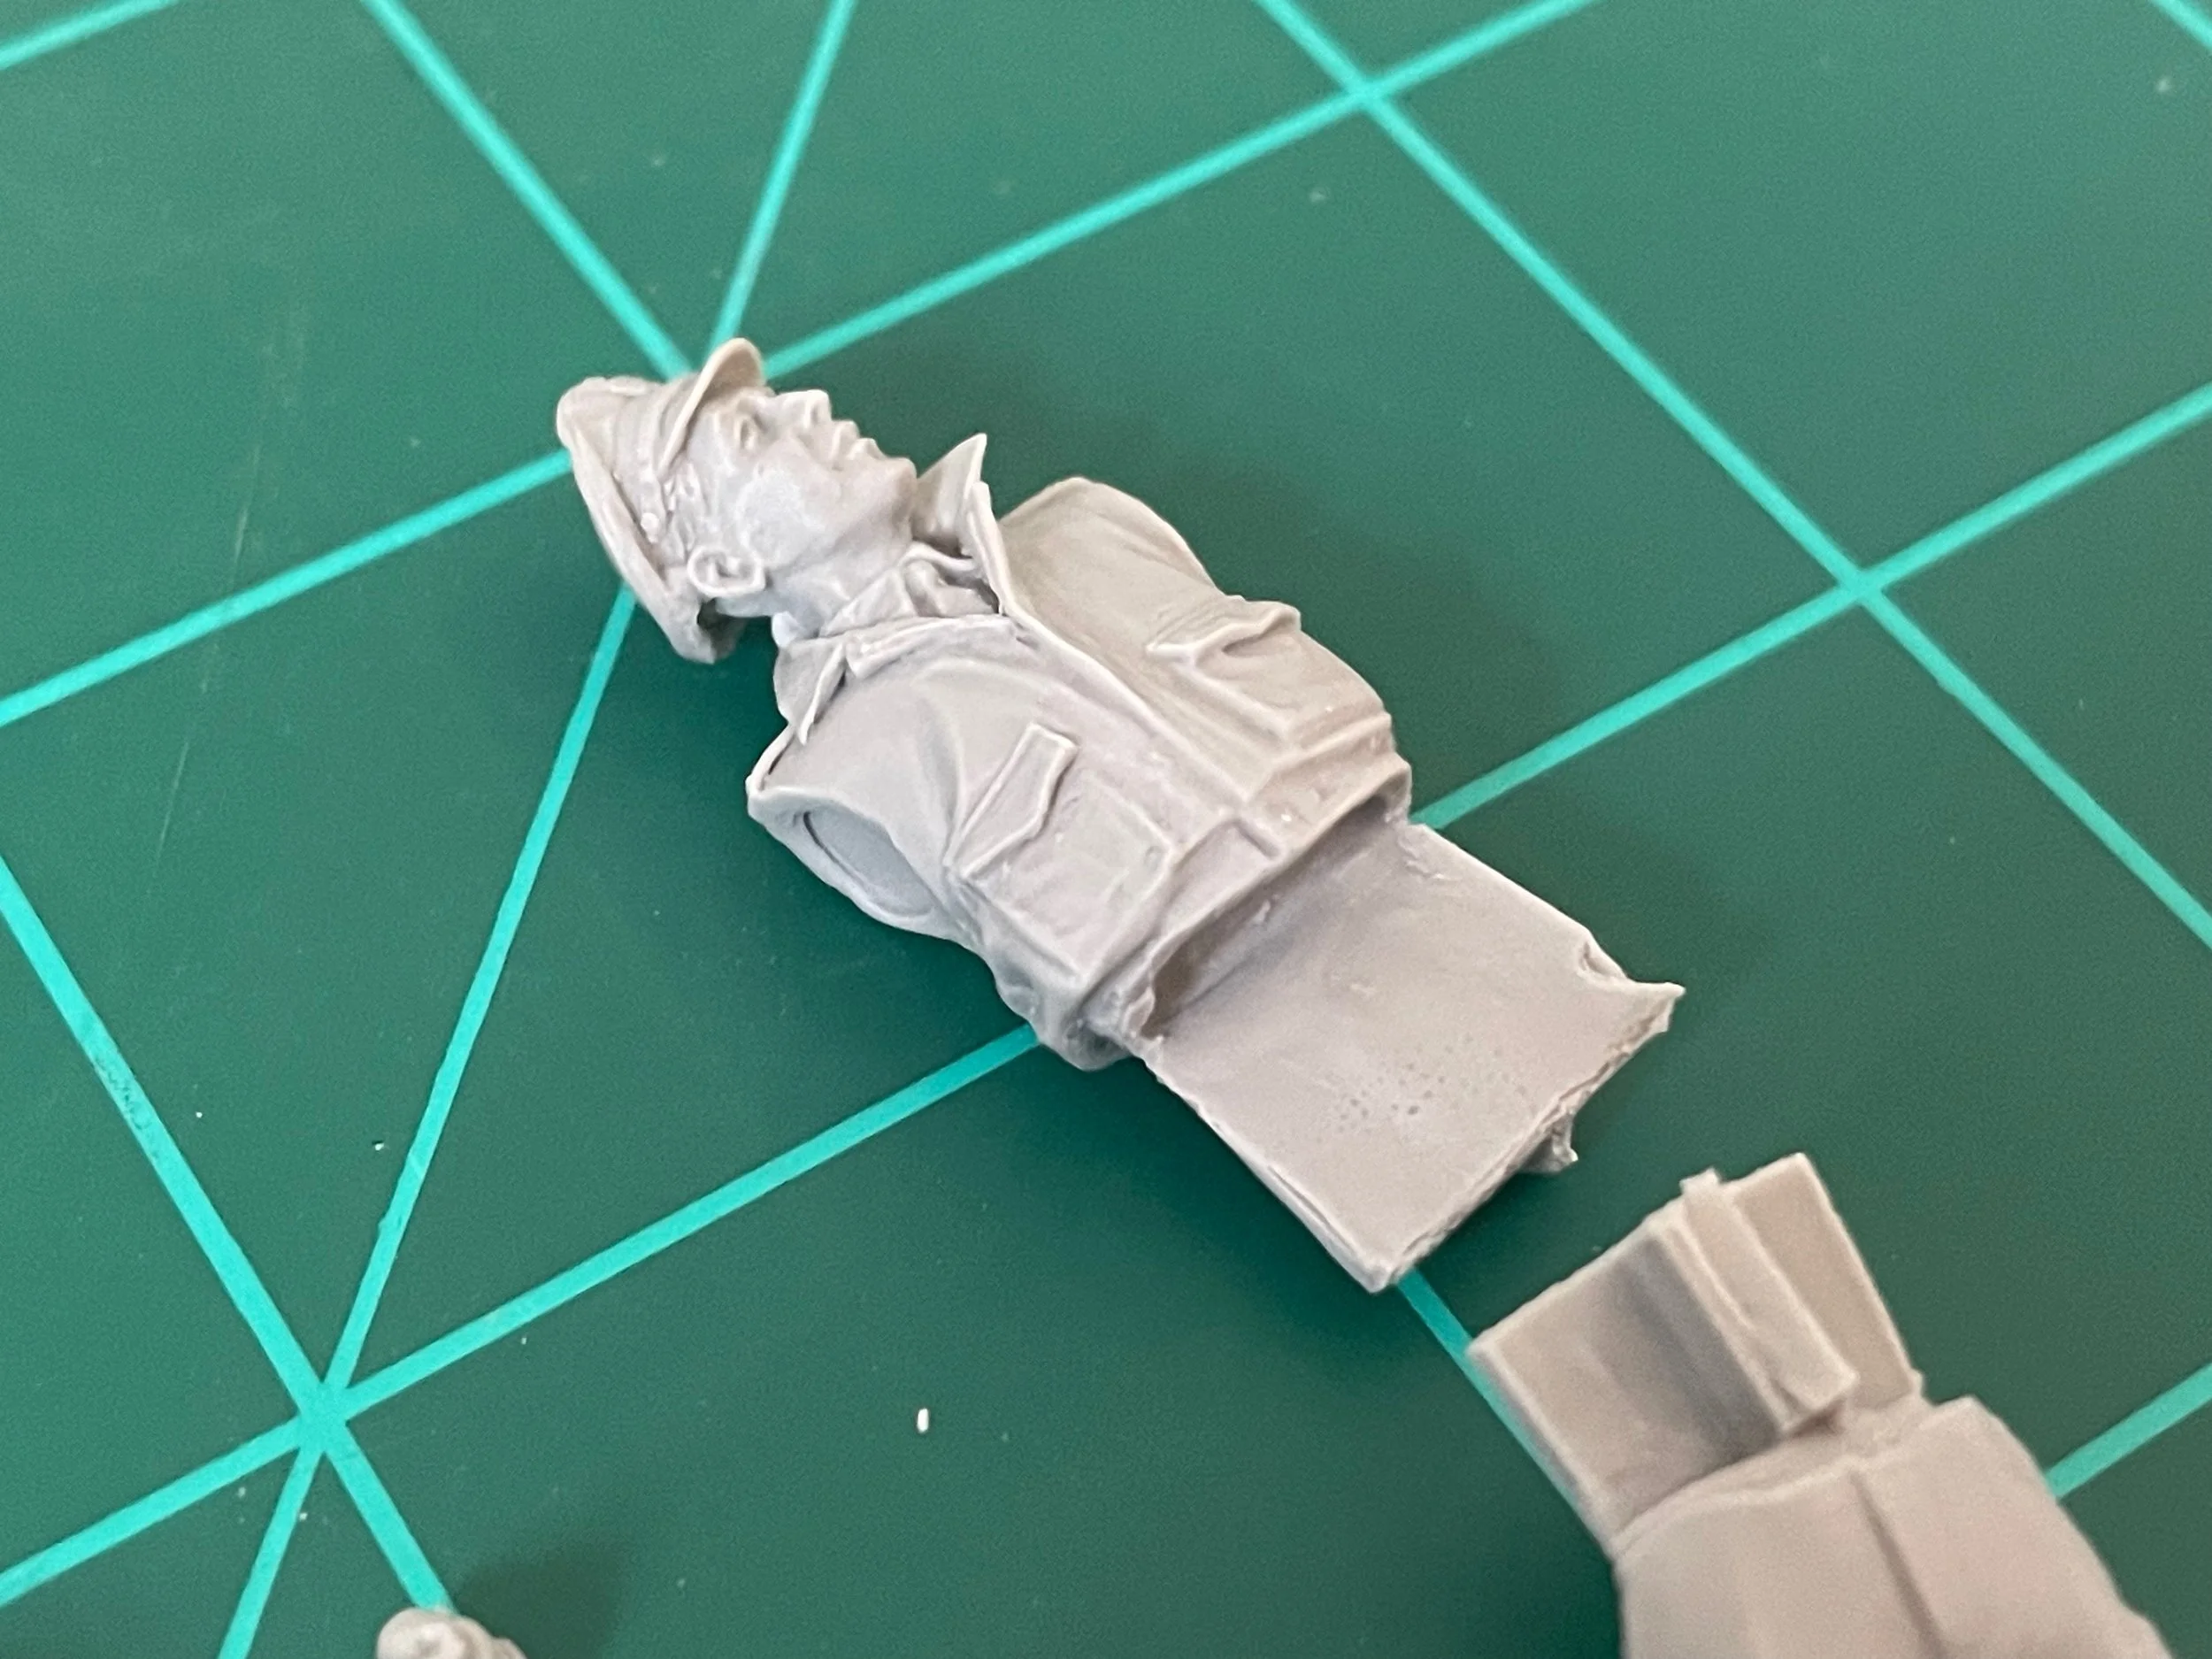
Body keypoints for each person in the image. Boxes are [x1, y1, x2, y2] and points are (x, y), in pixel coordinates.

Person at [556, 341, 1680, 1290]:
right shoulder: (835, 774)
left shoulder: (1085, 530)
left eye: (775, 398)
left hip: (1398, 880)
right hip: (1244, 1042)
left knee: (1537, 1024)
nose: (808, 407)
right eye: (752, 435)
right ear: (725, 562)